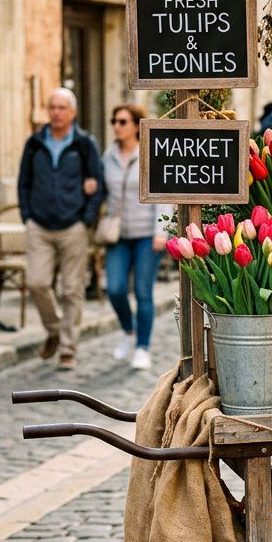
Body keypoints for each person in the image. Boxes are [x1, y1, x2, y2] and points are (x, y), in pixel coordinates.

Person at [17, 88, 104, 370]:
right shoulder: (34, 143)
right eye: (52, 107)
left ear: (72, 113)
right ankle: (54, 329)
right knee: (37, 282)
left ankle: (68, 348)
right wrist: (27, 215)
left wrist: (86, 219)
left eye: (61, 108)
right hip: (39, 226)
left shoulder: (83, 144)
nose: (55, 112)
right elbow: (24, 183)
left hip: (73, 226)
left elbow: (97, 185)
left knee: (71, 290)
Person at [102, 104, 167, 371]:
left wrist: (161, 231)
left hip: (146, 235)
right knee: (115, 289)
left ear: (136, 125)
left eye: (122, 121)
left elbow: (162, 193)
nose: (117, 126)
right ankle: (128, 332)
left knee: (143, 292)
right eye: (114, 121)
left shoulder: (150, 154)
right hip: (118, 234)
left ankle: (142, 347)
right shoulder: (109, 156)